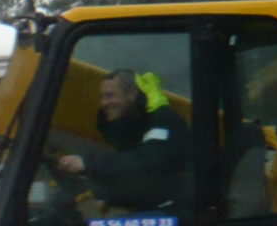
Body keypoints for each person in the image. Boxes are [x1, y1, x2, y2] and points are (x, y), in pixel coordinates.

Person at [57, 69, 192, 211]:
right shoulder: (130, 126)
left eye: (110, 96)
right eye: (102, 97)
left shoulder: (161, 120)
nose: (104, 103)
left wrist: (87, 163)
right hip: (153, 207)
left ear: (131, 95)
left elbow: (147, 164)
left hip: (177, 211)